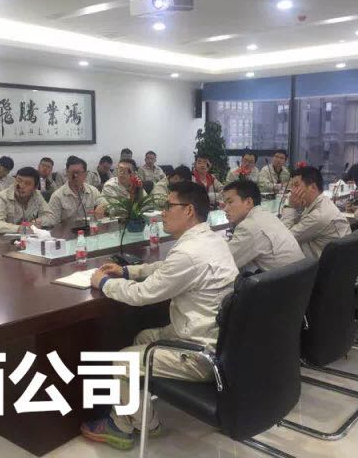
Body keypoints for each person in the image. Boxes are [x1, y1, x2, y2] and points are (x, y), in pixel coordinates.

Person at [82, 181, 238, 450]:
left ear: (188, 210)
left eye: (168, 206)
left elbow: (142, 295)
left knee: (123, 360)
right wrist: (128, 271)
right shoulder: (210, 239)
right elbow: (168, 268)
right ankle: (142, 418)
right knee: (144, 336)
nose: (162, 212)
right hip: (215, 337)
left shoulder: (189, 252)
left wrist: (104, 283)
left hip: (201, 353)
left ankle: (122, 428)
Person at [223, 180, 304, 271]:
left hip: (284, 279)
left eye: (230, 202)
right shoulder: (266, 215)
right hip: (299, 275)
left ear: (248, 202)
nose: (225, 209)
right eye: (224, 203)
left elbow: (223, 263)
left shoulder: (249, 227)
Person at [281, 166, 351, 258]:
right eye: (291, 186)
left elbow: (283, 240)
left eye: (296, 185)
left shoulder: (318, 215)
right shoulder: (323, 202)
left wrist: (290, 206)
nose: (292, 191)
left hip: (321, 265)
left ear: (313, 187)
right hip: (335, 260)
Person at [0, 167, 54, 235]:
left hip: (29, 238)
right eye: (19, 181)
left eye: (27, 183)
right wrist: (20, 228)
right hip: (3, 239)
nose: (21, 186)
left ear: (35, 188)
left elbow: (50, 217)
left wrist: (34, 222)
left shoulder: (36, 195)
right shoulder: (1, 198)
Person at [48, 156, 101, 225]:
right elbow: (53, 223)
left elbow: (103, 204)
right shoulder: (57, 196)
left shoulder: (93, 191)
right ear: (67, 173)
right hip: (67, 231)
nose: (75, 176)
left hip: (90, 229)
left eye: (78, 172)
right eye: (72, 173)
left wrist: (102, 206)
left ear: (85, 174)